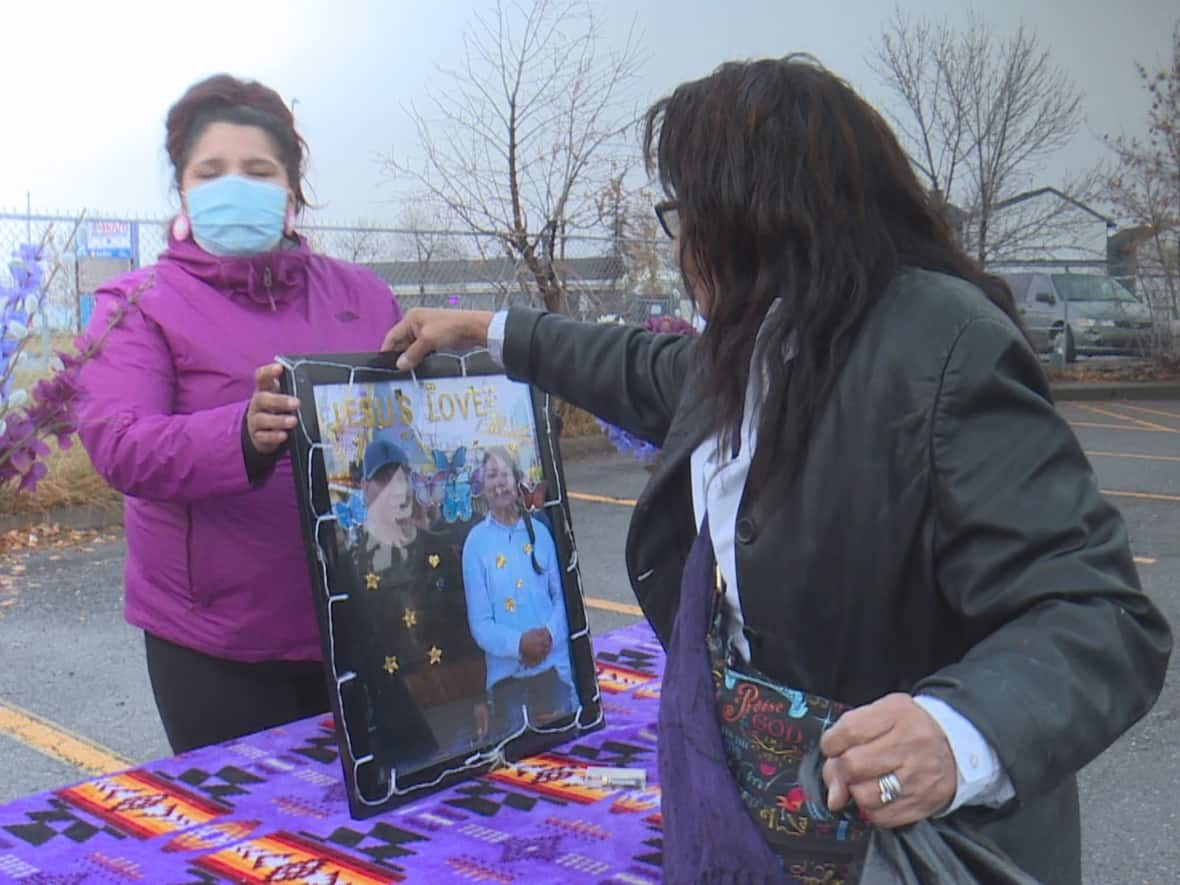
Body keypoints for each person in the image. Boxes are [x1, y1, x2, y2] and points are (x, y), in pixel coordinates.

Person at [381, 57, 1172, 883]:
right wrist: (486, 328)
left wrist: (955, 730)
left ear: (752, 209)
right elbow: (633, 364)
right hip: (767, 820)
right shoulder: (754, 342)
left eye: (683, 213)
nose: (680, 243)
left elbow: (1099, 613)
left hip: (906, 843)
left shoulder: (941, 346)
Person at [77, 74, 403, 754]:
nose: (235, 185)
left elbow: (409, 425)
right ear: (184, 189)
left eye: (257, 170)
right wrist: (241, 434)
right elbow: (119, 442)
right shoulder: (138, 303)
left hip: (362, 618)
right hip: (215, 646)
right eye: (212, 171)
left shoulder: (364, 295)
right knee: (245, 845)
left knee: (374, 837)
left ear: (291, 188)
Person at [337, 438, 486, 798]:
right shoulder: (347, 563)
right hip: (391, 724)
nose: (394, 490)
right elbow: (349, 649)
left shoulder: (436, 549)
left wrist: (479, 697)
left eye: (400, 478)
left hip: (448, 709)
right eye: (383, 480)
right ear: (364, 489)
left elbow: (460, 626)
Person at [461, 447, 576, 738]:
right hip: (507, 679)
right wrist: (518, 644)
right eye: (491, 476)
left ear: (518, 480)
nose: (499, 483)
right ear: (482, 486)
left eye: (505, 474)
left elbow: (563, 598)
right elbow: (480, 624)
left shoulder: (540, 532)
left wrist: (547, 637)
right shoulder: (475, 544)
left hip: (554, 670)